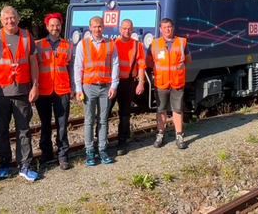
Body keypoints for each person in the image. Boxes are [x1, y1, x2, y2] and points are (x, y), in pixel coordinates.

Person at [0, 6, 39, 181]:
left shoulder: (27, 36)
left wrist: (35, 86)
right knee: (1, 130)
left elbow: (33, 63)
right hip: (0, 92)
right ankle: (4, 163)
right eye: (6, 18)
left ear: (18, 18)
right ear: (1, 20)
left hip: (22, 91)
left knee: (24, 130)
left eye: (12, 18)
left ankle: (25, 165)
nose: (10, 21)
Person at [73, 16, 119, 166]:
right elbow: (78, 67)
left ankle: (103, 149)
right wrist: (78, 88)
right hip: (89, 87)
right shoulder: (83, 44)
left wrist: (114, 85)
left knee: (103, 120)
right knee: (89, 120)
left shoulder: (110, 44)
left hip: (105, 87)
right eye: (94, 26)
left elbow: (115, 64)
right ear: (90, 27)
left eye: (99, 26)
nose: (97, 29)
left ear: (103, 27)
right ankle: (89, 151)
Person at [34, 12, 74, 170]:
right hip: (43, 91)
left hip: (62, 90)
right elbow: (34, 68)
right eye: (52, 25)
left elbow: (71, 68)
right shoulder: (38, 45)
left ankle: (63, 155)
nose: (55, 28)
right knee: (45, 124)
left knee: (62, 124)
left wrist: (73, 88)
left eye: (57, 25)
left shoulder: (68, 45)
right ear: (47, 26)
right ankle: (46, 153)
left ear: (61, 26)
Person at [146, 18, 192, 149]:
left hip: (177, 82)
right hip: (161, 82)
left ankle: (179, 135)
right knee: (161, 110)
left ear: (173, 28)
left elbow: (188, 60)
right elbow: (148, 61)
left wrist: (177, 71)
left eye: (170, 27)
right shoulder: (155, 44)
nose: (167, 29)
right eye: (165, 27)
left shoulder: (182, 42)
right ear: (160, 29)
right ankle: (160, 134)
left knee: (177, 109)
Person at [111, 19, 146, 155]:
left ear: (133, 30)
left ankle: (122, 142)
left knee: (125, 114)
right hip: (113, 83)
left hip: (128, 82)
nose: (127, 31)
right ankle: (101, 142)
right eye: (124, 28)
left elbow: (141, 64)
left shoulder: (137, 45)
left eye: (129, 29)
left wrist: (141, 82)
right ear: (120, 29)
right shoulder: (113, 43)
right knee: (104, 113)